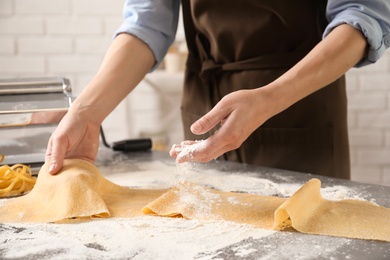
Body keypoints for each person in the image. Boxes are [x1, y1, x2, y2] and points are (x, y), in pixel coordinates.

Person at [46, 0, 390, 179]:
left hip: (298, 105)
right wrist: (86, 112)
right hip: (205, 103)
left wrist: (270, 96)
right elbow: (146, 24)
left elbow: (362, 17)